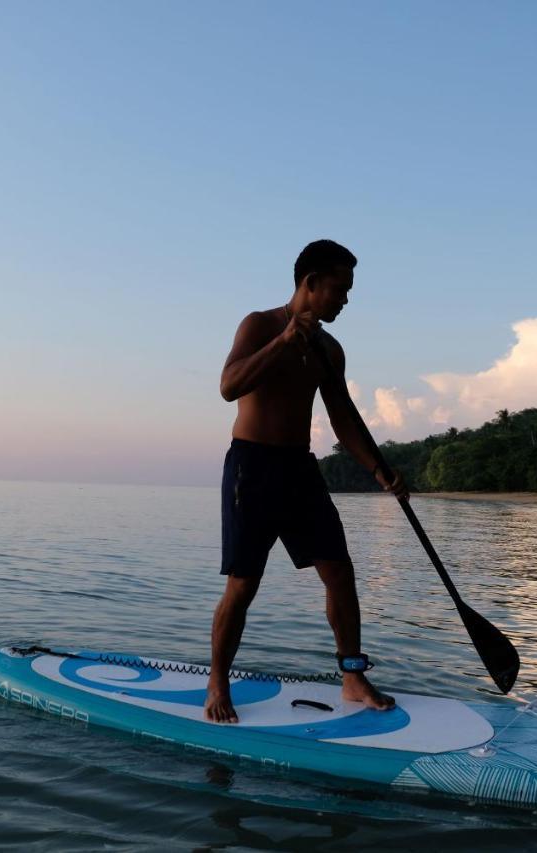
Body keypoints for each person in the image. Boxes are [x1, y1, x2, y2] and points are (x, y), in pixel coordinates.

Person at [205, 239, 409, 724]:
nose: (345, 300)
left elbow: (344, 418)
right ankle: (217, 679)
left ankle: (353, 675)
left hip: (300, 468)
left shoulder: (329, 350)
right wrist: (280, 345)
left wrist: (381, 470)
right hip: (251, 467)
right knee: (243, 583)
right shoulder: (259, 324)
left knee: (339, 572)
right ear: (310, 284)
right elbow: (228, 385)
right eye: (339, 289)